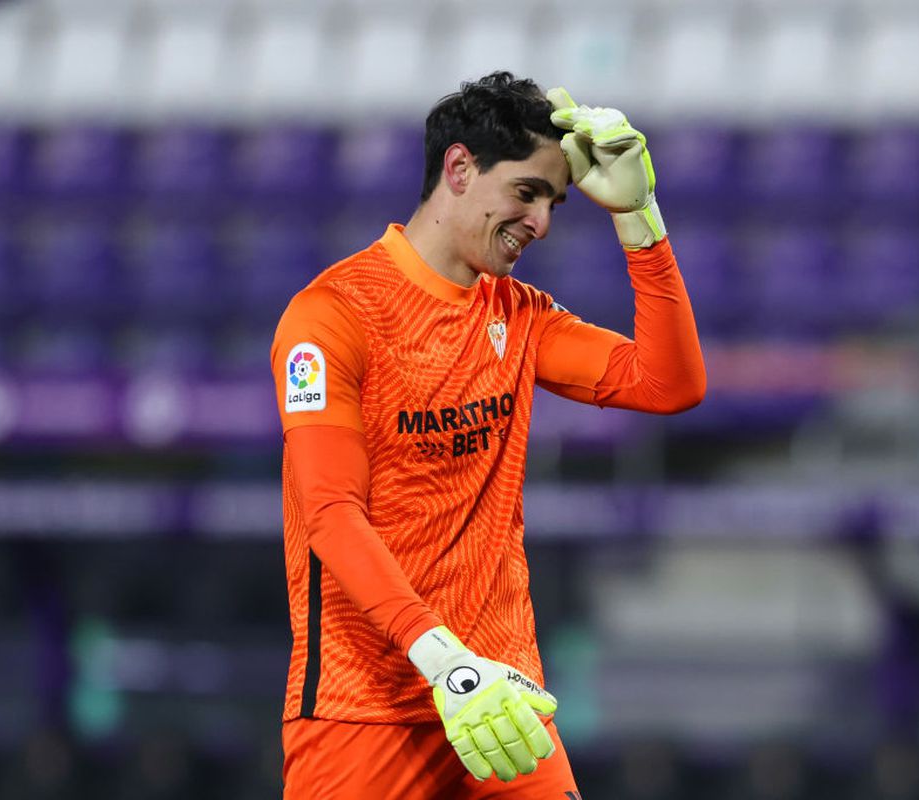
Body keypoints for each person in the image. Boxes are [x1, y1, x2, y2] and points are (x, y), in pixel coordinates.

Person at [270, 71, 707, 799]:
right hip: (365, 715)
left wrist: (640, 217)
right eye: (528, 193)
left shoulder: (521, 315)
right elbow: (331, 515)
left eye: (554, 203)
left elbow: (671, 384)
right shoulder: (332, 316)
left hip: (501, 708)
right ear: (461, 168)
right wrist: (446, 664)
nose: (540, 223)